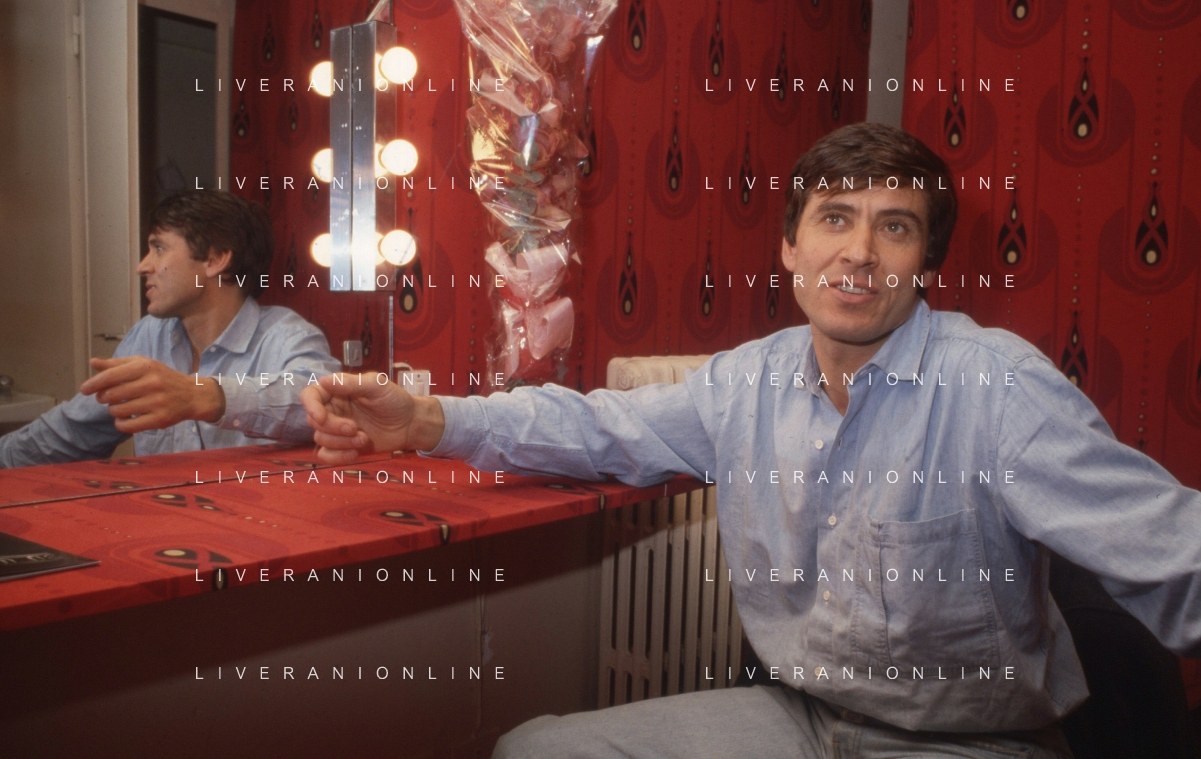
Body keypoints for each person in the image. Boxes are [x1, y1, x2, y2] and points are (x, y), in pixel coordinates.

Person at [300, 123, 1201, 757]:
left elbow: (1173, 550)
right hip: (798, 721)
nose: (858, 252)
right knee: (537, 748)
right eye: (834, 219)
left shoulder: (998, 387)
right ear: (789, 249)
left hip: (970, 741)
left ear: (925, 263)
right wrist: (426, 420)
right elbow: (597, 425)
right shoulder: (746, 381)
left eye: (893, 228)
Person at [0, 190, 341, 468]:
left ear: (214, 259)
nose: (142, 266)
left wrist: (202, 396)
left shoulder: (286, 335)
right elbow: (74, 431)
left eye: (159, 248)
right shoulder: (150, 335)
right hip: (163, 522)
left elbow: (326, 405)